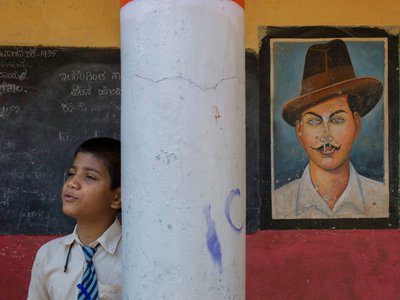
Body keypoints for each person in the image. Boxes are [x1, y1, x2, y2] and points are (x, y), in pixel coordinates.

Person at [273, 39, 388, 219]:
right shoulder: (279, 203)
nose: (326, 136)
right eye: (313, 122)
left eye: (337, 119)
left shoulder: (383, 199)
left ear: (356, 125)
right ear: (299, 132)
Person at [28, 137, 122, 300]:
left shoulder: (136, 256)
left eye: (90, 177)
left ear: (117, 198)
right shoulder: (48, 255)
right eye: (72, 173)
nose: (72, 183)